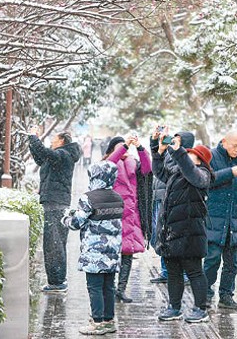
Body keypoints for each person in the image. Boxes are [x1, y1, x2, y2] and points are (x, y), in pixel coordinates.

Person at [152, 129, 214, 323]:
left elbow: (192, 173)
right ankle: (174, 307)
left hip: (191, 232)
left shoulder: (203, 175)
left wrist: (179, 152)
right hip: (171, 231)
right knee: (173, 272)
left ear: (200, 159)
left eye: (191, 154)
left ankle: (200, 308)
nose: (187, 155)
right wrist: (158, 151)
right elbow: (160, 171)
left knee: (195, 271)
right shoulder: (178, 173)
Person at [61, 161, 123, 335]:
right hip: (112, 252)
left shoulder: (89, 198)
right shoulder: (118, 197)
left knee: (94, 287)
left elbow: (76, 223)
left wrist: (66, 217)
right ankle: (109, 321)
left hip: (95, 252)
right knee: (109, 287)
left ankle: (97, 322)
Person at [204, 131, 237, 310]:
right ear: (224, 142)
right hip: (215, 217)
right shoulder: (211, 156)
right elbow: (206, 180)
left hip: (234, 219)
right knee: (211, 259)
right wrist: (230, 173)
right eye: (235, 145)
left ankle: (226, 296)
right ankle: (205, 293)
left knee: (232, 263)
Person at [28, 126, 82, 293]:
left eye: (54, 138)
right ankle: (56, 280)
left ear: (62, 141)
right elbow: (40, 158)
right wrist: (32, 141)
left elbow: (45, 153)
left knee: (54, 244)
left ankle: (58, 282)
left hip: (56, 203)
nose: (51, 140)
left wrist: (34, 137)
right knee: (53, 243)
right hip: (53, 202)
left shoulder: (63, 155)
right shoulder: (59, 156)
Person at [104, 133, 152, 303]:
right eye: (120, 146)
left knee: (128, 253)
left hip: (132, 215)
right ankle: (109, 289)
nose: (124, 149)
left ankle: (121, 289)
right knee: (110, 254)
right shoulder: (106, 165)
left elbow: (147, 169)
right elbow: (110, 163)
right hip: (112, 214)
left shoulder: (133, 163)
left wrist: (139, 147)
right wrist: (123, 146)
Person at [150, 129, 195, 284]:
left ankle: (182, 274)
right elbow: (156, 162)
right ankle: (165, 271)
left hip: (173, 200)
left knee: (173, 237)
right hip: (159, 198)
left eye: (177, 140)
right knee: (160, 237)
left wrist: (171, 150)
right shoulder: (169, 152)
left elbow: (169, 169)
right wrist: (155, 141)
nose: (172, 142)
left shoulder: (185, 157)